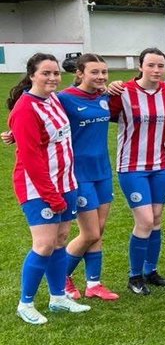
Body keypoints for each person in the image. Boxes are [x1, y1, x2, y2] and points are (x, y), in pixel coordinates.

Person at [8, 54, 90, 323]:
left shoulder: (53, 99)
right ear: (32, 75)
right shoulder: (25, 108)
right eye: (46, 73)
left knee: (60, 241)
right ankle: (26, 304)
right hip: (38, 188)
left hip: (66, 183)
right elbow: (31, 159)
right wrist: (51, 196)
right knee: (43, 245)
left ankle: (58, 298)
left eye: (56, 73)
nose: (53, 78)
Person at [111, 47, 165, 295]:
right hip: (131, 166)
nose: (156, 70)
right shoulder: (123, 91)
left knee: (157, 220)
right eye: (151, 65)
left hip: (160, 164)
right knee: (145, 220)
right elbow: (93, 107)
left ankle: (151, 271)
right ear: (140, 66)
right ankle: (134, 276)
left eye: (160, 65)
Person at [57, 55, 120, 300]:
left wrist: (114, 88)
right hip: (79, 174)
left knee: (99, 230)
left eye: (104, 72)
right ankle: (61, 277)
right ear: (80, 73)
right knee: (90, 233)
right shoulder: (64, 98)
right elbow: (39, 118)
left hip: (102, 172)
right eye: (95, 72)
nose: (101, 77)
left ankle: (94, 284)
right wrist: (16, 132)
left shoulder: (104, 97)